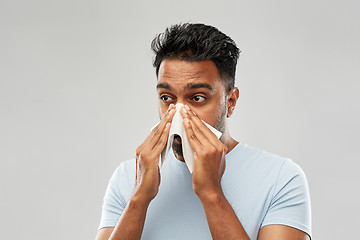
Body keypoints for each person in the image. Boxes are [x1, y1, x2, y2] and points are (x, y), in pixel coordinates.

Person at [95, 23, 311, 240]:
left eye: (197, 98)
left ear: (231, 101)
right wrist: (139, 199)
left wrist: (212, 193)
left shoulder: (280, 178)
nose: (179, 113)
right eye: (167, 98)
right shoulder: (128, 178)